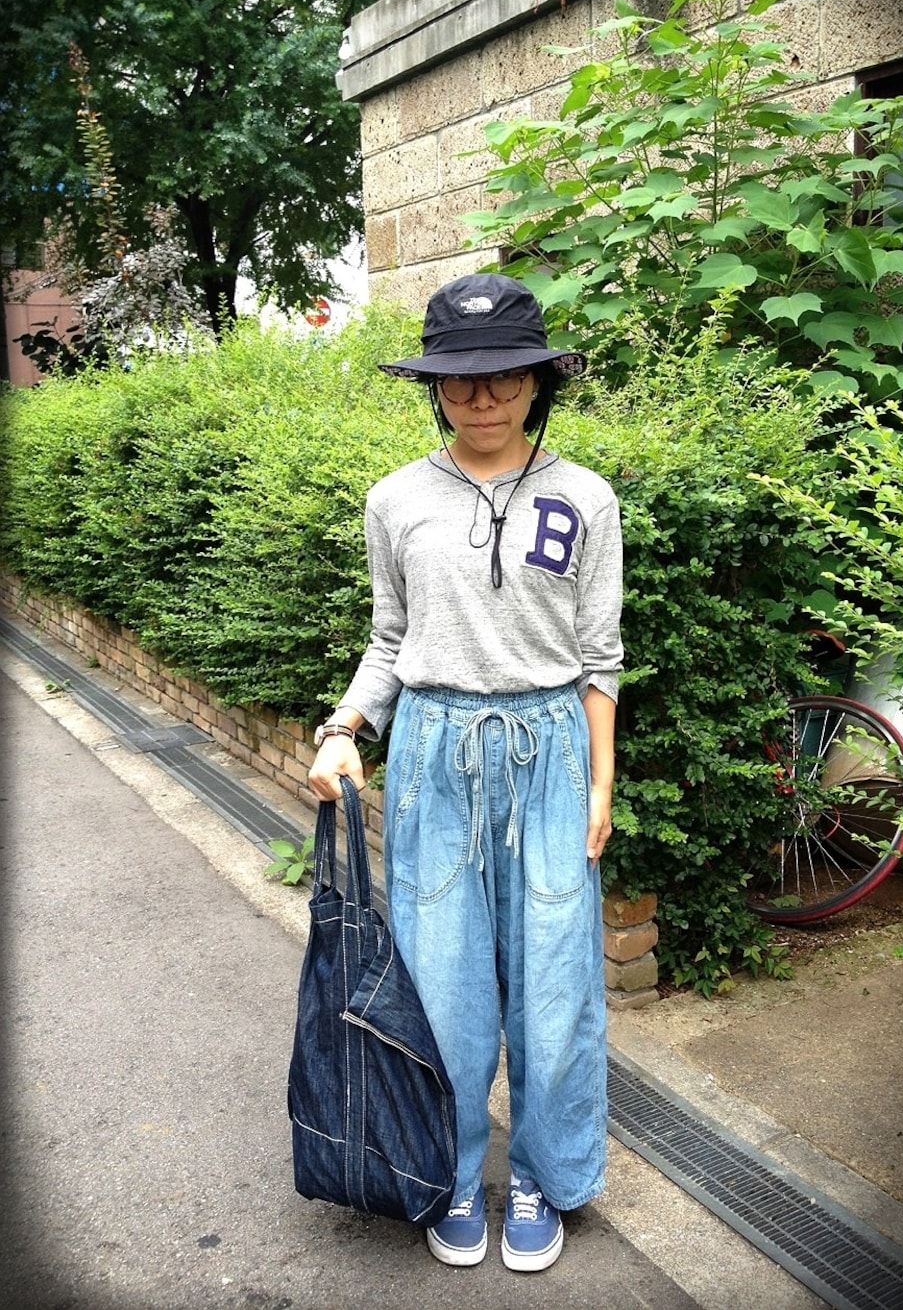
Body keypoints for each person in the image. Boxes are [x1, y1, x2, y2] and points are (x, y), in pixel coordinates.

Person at [307, 272, 624, 1273]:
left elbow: (599, 658)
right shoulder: (395, 499)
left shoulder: (585, 496)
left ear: (539, 381)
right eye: (459, 380)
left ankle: (540, 1174)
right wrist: (345, 726)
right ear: (434, 387)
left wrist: (600, 787)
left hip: (550, 752)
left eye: (504, 377)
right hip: (435, 755)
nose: (482, 398)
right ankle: (445, 1172)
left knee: (556, 987)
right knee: (439, 983)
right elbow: (389, 638)